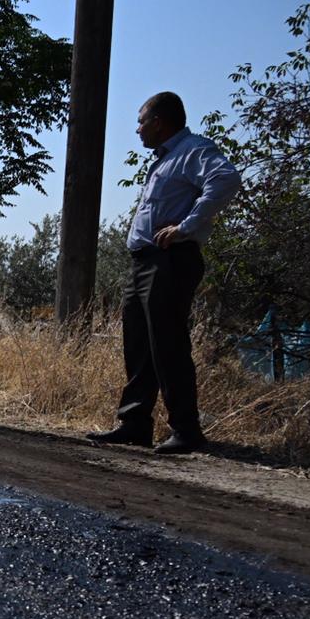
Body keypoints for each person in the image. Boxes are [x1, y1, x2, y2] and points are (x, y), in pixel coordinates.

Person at [88, 91, 240, 455]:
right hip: (144, 263)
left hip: (170, 260)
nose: (138, 130)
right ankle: (135, 424)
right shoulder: (164, 159)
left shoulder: (193, 149)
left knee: (168, 344)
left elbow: (226, 179)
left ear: (159, 121)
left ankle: (186, 430)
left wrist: (185, 227)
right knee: (139, 344)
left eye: (141, 121)